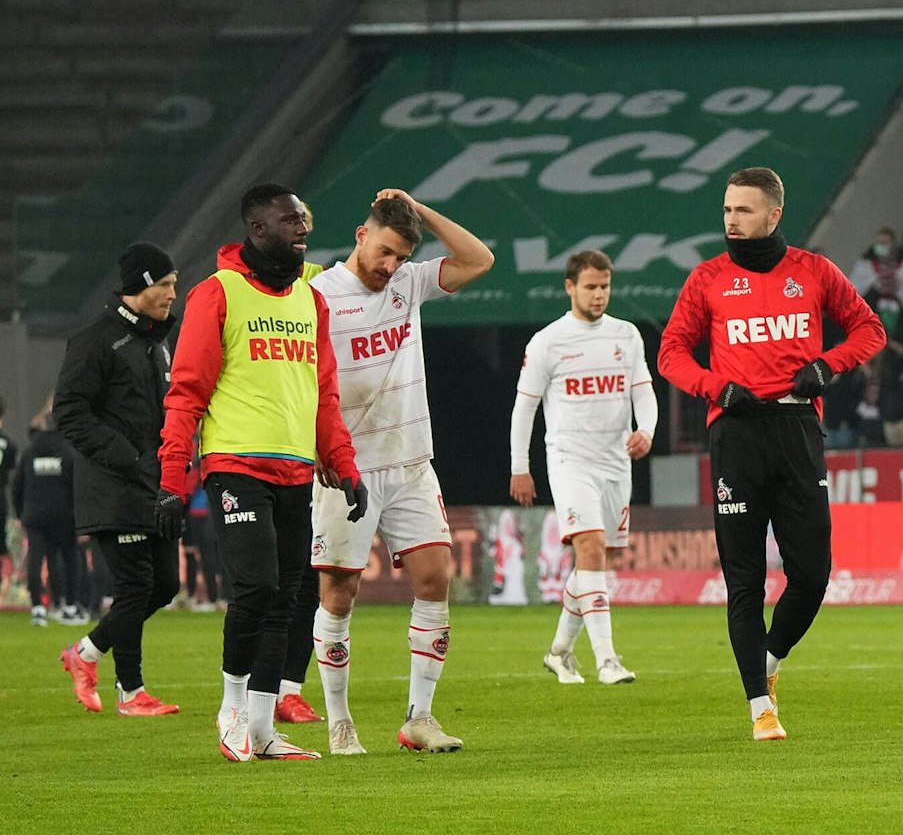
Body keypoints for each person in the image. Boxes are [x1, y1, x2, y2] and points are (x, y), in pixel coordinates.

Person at [660, 167, 886, 741]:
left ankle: (768, 661)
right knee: (745, 580)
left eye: (743, 210)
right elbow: (671, 353)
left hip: (796, 428)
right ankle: (760, 707)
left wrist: (826, 366)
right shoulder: (707, 278)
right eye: (727, 209)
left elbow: (869, 329)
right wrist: (715, 387)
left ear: (773, 215)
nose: (731, 219)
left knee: (812, 575)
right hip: (736, 432)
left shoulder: (813, 271)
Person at [157, 184, 364, 762]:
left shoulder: (310, 301)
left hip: (296, 470)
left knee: (288, 600)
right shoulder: (216, 294)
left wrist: (343, 464)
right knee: (257, 587)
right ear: (257, 229)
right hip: (235, 465)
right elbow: (186, 391)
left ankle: (264, 729)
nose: (302, 228)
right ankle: (231, 710)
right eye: (289, 219)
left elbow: (325, 395)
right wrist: (173, 478)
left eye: (303, 219)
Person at [295, 190, 494, 756]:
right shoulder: (317, 296)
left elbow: (479, 259)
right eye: (384, 252)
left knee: (436, 579)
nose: (390, 266)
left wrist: (420, 209)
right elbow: (301, 379)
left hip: (410, 461)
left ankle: (419, 718)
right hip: (347, 468)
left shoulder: (408, 284)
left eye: (402, 256)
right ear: (361, 235)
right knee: (340, 593)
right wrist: (319, 447)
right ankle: (340, 723)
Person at [512, 251, 656, 689]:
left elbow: (643, 392)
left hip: (616, 462)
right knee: (591, 548)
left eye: (605, 286)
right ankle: (607, 659)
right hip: (570, 460)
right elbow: (525, 408)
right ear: (570, 287)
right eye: (591, 287)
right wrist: (520, 467)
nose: (599, 295)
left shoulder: (626, 335)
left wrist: (646, 430)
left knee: (596, 560)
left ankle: (559, 652)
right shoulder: (547, 341)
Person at [50, 243, 183, 715]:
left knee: (165, 586)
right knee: (135, 589)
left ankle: (85, 653)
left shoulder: (156, 342)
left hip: (154, 484)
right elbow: (69, 412)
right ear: (139, 285)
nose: (173, 293)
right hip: (113, 485)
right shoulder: (95, 340)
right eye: (164, 284)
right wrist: (127, 456)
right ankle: (131, 692)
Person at [16, 403, 85, 627]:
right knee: (69, 558)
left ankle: (38, 608)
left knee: (36, 559)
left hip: (34, 516)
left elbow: (17, 486)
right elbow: (77, 486)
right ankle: (69, 607)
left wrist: (21, 514)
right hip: (63, 516)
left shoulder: (29, 452)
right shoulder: (67, 452)